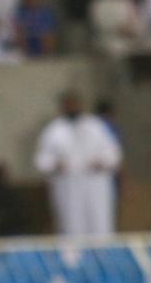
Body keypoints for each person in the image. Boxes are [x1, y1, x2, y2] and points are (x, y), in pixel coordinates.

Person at [34, 91, 122, 236]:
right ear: (63, 107)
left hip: (96, 184)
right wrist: (56, 165)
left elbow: (113, 154)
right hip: (68, 186)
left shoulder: (96, 126)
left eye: (74, 104)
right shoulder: (54, 130)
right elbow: (42, 160)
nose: (72, 108)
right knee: (71, 227)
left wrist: (101, 162)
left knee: (100, 225)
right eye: (68, 105)